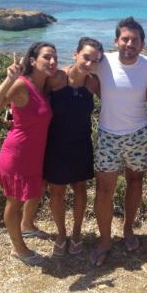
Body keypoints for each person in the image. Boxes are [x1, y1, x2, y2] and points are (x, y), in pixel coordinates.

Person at [91, 17, 147, 267]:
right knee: (104, 190)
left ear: (142, 44)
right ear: (116, 40)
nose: (129, 43)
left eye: (135, 40)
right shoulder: (102, 61)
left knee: (135, 181)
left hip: (138, 134)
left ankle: (128, 229)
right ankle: (105, 240)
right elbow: (79, 74)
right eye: (125, 38)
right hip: (108, 134)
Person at [0, 42, 57, 265]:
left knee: (38, 188)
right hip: (17, 154)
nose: (52, 61)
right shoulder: (21, 85)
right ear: (33, 61)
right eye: (47, 57)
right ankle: (19, 248)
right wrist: (9, 79)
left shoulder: (45, 86)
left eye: (55, 57)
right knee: (14, 202)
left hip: (35, 153)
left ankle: (27, 226)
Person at [44, 37, 103, 257]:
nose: (89, 64)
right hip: (56, 144)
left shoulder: (92, 83)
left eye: (95, 60)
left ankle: (76, 233)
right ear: (75, 54)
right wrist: (11, 113)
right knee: (57, 192)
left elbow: (114, 99)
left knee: (80, 189)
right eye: (86, 57)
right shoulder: (57, 78)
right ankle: (61, 234)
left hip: (81, 143)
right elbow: (32, 94)